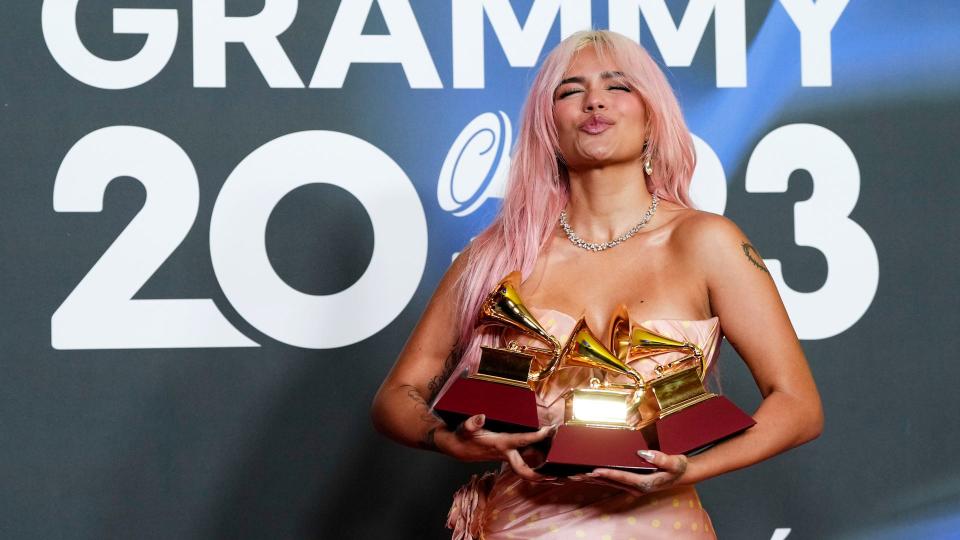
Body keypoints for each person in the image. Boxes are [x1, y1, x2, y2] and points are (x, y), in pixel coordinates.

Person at [371, 30, 822, 539]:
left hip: (664, 524)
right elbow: (397, 395)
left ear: (653, 117)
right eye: (569, 91)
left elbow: (798, 405)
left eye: (618, 86)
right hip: (521, 525)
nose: (594, 101)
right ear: (549, 126)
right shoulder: (496, 255)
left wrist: (688, 469)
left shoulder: (706, 242)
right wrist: (444, 437)